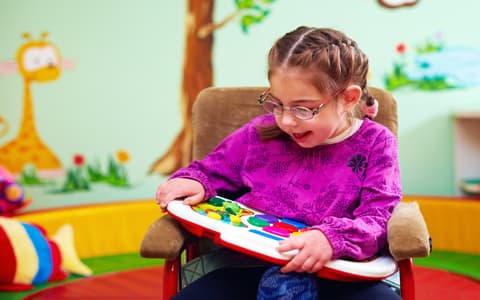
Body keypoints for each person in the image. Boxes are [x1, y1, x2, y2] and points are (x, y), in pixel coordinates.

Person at [155, 26, 402, 300]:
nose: (285, 121)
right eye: (277, 104)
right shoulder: (259, 132)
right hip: (250, 264)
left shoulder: (376, 143)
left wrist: (332, 239)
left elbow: (378, 217)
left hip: (337, 271)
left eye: (302, 108)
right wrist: (194, 181)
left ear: (349, 98)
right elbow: (211, 171)